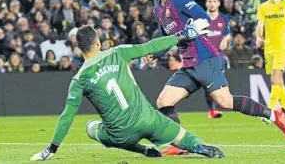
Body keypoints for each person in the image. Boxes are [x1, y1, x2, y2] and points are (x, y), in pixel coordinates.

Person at [148, 0, 285, 156]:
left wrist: (187, 33)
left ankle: (275, 116)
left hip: (206, 59)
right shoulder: (158, 9)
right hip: (189, 64)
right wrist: (153, 54)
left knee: (225, 102)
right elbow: (165, 39)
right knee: (163, 100)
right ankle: (179, 143)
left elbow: (204, 20)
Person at [30, 23, 226, 161]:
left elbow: (66, 116)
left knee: (90, 127)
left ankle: (142, 150)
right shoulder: (117, 52)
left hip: (121, 135)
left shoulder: (78, 79)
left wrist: (52, 148)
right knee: (184, 137)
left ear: (80, 48)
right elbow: (150, 46)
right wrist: (182, 35)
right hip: (148, 120)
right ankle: (199, 147)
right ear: (98, 42)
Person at [204, 0, 232, 119]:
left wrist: (226, 39)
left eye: (214, 1)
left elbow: (227, 34)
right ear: (206, 3)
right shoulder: (201, 18)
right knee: (209, 83)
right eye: (209, 1)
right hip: (204, 57)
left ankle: (214, 109)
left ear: (219, 3)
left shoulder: (223, 19)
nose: (212, 3)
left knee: (217, 84)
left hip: (219, 57)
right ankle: (212, 110)